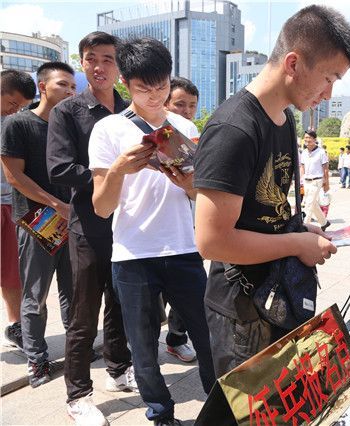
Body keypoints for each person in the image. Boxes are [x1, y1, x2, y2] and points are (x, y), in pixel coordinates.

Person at [193, 4, 350, 377]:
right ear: (294, 63)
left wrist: (301, 231)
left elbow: (269, 210)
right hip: (242, 310)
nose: (329, 94)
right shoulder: (234, 129)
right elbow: (212, 241)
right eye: (329, 77)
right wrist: (298, 245)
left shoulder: (283, 120)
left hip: (276, 296)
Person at [89, 37, 214, 426]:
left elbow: (199, 192)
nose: (156, 95)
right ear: (126, 83)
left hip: (182, 247)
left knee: (207, 336)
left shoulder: (186, 126)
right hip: (132, 254)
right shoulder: (108, 130)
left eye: (162, 86)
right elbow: (101, 206)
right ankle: (161, 415)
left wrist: (186, 184)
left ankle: (220, 408)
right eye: (146, 88)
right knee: (143, 346)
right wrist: (118, 171)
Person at [47, 32, 135, 425]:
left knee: (121, 304)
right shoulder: (68, 112)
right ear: (82, 63)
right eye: (91, 59)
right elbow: (60, 169)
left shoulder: (130, 111)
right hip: (89, 227)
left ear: (119, 65)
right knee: (84, 313)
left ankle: (118, 369)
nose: (99, 67)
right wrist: (112, 176)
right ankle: (78, 394)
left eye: (108, 59)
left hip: (129, 224)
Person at [1, 62, 76, 388]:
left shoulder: (71, 127)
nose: (70, 92)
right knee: (35, 296)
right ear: (43, 86)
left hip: (71, 223)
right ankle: (37, 359)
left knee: (74, 294)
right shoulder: (18, 124)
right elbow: (13, 175)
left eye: (73, 87)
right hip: (36, 223)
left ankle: (77, 353)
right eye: (63, 85)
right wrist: (56, 204)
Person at [162, 76, 201, 363]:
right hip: (153, 231)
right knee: (153, 297)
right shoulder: (144, 134)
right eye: (179, 104)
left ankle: (176, 338)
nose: (186, 111)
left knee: (186, 293)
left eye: (191, 106)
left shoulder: (194, 135)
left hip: (188, 227)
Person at [1, 69, 36, 350]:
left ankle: (16, 325)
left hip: (10, 203)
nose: (16, 110)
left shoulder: (17, 122)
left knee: (13, 270)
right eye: (13, 103)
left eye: (21, 106)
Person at [300, 129, 330, 230]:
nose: (307, 140)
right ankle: (324, 222)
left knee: (308, 204)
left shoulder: (321, 152)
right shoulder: (304, 152)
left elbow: (325, 168)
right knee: (313, 203)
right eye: (305, 138)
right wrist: (301, 180)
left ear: (314, 139)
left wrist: (327, 183)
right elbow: (302, 167)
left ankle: (304, 227)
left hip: (317, 181)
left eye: (309, 138)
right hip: (306, 181)